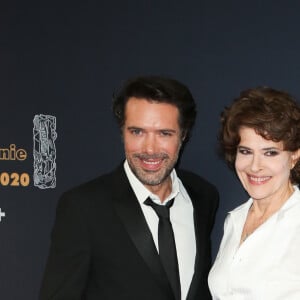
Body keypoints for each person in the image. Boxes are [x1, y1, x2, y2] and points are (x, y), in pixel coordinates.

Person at [39, 75, 219, 300]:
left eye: (164, 133)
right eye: (137, 132)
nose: (150, 148)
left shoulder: (203, 196)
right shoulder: (83, 207)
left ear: (183, 135)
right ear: (122, 132)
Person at [208, 87, 300, 299]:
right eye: (246, 151)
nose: (255, 166)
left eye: (270, 153)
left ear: (294, 156)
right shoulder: (235, 219)